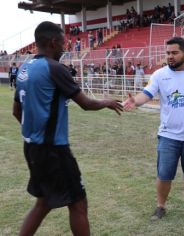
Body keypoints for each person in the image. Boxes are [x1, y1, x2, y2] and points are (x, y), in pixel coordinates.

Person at [12, 21, 123, 236]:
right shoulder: (55, 69)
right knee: (78, 203)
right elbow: (86, 104)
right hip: (54, 150)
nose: (65, 47)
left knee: (43, 203)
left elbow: (17, 112)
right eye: (63, 42)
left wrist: (36, 135)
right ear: (53, 42)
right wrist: (107, 102)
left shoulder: (24, 69)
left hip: (32, 148)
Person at [123, 37, 184, 221]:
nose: (170, 56)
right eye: (168, 53)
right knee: (164, 174)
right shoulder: (160, 75)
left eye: (174, 53)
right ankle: (160, 207)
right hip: (168, 136)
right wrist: (135, 101)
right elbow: (147, 94)